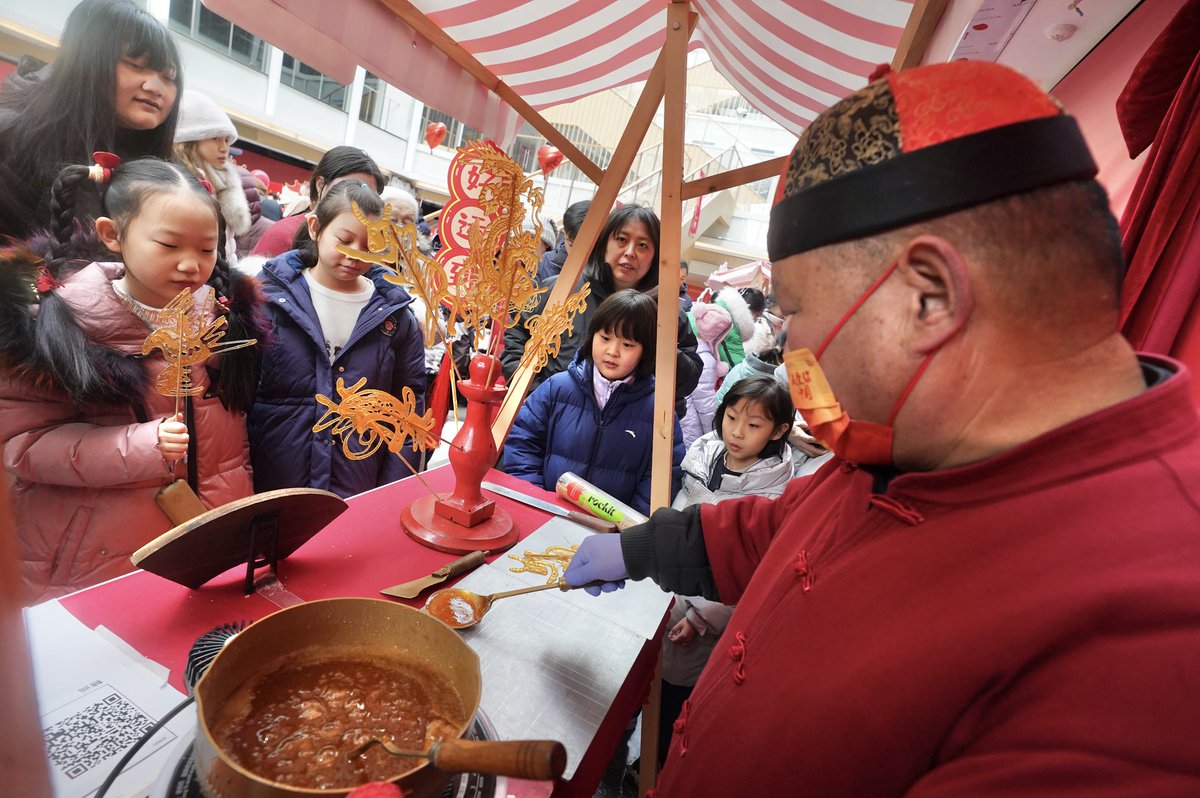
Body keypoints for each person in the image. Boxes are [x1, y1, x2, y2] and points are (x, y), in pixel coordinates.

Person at [562, 61, 1200, 795]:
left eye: (797, 313)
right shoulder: (902, 442)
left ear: (926, 298)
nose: (790, 351)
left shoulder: (1153, 642)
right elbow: (778, 535)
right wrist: (638, 548)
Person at [0, 158, 264, 603]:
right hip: (98, 556)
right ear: (112, 234)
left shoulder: (225, 318)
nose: (190, 265)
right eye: (169, 245)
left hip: (208, 536)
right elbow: (24, 445)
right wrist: (142, 446)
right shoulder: (56, 322)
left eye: (205, 249)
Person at [249, 180, 426, 498]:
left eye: (369, 246)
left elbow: (408, 408)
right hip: (274, 482)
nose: (354, 255)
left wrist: (394, 491)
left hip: (358, 481)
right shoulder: (267, 300)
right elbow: (238, 398)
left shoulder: (395, 315)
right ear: (315, 227)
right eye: (344, 240)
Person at [658, 374, 798, 765]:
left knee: (676, 698)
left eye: (753, 425)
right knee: (644, 685)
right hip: (662, 592)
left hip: (701, 616)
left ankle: (655, 767)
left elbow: (749, 571)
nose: (736, 432)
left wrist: (703, 617)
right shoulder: (702, 458)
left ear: (779, 430)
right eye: (732, 417)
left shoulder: (772, 496)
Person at [0, 0, 181, 240]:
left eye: (169, 77)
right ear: (86, 60)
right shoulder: (14, 140)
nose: (156, 87)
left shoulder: (166, 170)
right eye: (136, 65)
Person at [501, 204, 702, 418]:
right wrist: (538, 395)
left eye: (643, 245)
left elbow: (687, 381)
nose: (630, 252)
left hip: (625, 438)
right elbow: (517, 337)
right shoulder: (561, 290)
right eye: (622, 240)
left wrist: (657, 340)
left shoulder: (667, 313)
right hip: (549, 424)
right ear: (605, 242)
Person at [503, 290, 683, 517]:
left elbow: (664, 476)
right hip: (544, 513)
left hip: (609, 535)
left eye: (627, 344)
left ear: (645, 351)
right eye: (605, 338)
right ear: (592, 336)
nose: (612, 351)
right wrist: (537, 500)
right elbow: (522, 442)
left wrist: (627, 528)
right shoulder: (557, 388)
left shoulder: (660, 410)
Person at [173, 90, 271, 261]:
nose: (224, 148)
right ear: (191, 137)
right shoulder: (178, 180)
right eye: (216, 138)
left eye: (226, 140)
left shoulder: (223, 180)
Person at [251, 145, 384, 258]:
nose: (358, 199)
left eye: (368, 194)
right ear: (320, 184)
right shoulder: (284, 234)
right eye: (347, 187)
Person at [678, 300, 732, 450]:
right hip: (689, 421)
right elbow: (705, 404)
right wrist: (714, 432)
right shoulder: (706, 360)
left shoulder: (691, 347)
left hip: (683, 414)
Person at [535, 198, 590, 285]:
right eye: (571, 245)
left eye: (585, 247)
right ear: (564, 233)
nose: (576, 253)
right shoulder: (544, 264)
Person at [714, 286, 763, 369]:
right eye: (757, 316)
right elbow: (736, 368)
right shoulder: (730, 327)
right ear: (750, 312)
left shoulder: (717, 310)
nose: (755, 321)